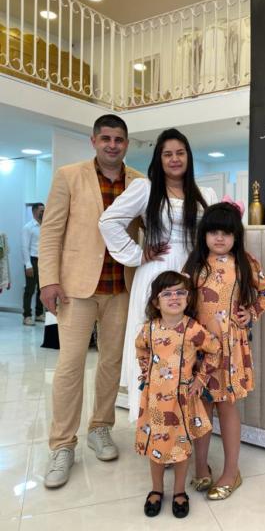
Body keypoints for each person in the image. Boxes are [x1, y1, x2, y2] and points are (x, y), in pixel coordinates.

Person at [39, 114, 143, 488]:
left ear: (127, 144)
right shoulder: (69, 176)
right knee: (69, 366)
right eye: (106, 138)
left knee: (111, 363)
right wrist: (48, 280)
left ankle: (100, 427)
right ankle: (62, 445)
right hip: (76, 288)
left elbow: (148, 229)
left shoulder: (140, 182)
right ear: (94, 141)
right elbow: (51, 231)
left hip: (121, 289)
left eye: (119, 139)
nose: (112, 145)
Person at [98, 128, 217, 422]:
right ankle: (152, 425)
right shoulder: (145, 189)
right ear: (159, 159)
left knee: (189, 347)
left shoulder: (206, 194)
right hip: (156, 274)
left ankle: (182, 424)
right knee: (155, 347)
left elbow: (216, 236)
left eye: (180, 153)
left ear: (188, 156)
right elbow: (108, 220)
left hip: (193, 275)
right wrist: (137, 254)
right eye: (167, 154)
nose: (174, 159)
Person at [183, 201, 265, 500]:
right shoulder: (195, 263)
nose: (220, 238)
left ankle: (231, 471)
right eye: (213, 232)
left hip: (229, 347)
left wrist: (252, 312)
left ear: (236, 235)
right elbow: (182, 298)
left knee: (225, 405)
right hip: (198, 345)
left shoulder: (245, 262)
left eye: (226, 232)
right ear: (204, 235)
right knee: (201, 405)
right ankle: (201, 467)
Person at [135, 270, 221, 519]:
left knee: (181, 447)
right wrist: (146, 374)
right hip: (154, 399)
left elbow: (215, 349)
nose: (174, 297)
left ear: (188, 298)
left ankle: (179, 491)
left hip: (182, 399)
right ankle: (156, 489)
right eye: (167, 293)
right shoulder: (149, 330)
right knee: (156, 445)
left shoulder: (193, 329)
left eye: (180, 292)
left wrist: (201, 378)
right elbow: (140, 349)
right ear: (156, 301)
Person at [22, 202, 45, 326]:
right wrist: (28, 265)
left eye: (44, 210)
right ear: (34, 211)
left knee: (42, 289)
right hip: (32, 260)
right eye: (41, 210)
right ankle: (27, 316)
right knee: (30, 290)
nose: (43, 212)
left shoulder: (45, 226)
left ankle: (39, 314)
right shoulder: (28, 227)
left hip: (43, 261)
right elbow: (24, 247)